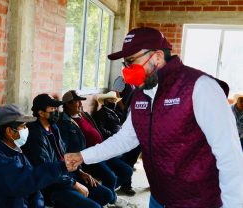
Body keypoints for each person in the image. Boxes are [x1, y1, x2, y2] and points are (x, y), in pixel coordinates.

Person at [64, 27, 243, 208]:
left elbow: (230, 155)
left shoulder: (200, 87)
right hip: (158, 198)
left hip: (197, 201)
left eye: (132, 62)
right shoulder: (142, 93)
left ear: (157, 56)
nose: (127, 71)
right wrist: (83, 156)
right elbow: (125, 139)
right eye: (125, 64)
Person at [0, 104, 72, 208]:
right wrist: (61, 167)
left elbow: (34, 191)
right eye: (24, 126)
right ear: (10, 131)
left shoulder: (13, 150)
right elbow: (24, 183)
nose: (27, 129)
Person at [21, 94, 112, 208]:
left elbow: (64, 155)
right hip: (52, 185)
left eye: (56, 108)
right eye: (52, 109)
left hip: (67, 176)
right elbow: (46, 170)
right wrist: (74, 184)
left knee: (106, 195)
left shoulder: (54, 128)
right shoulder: (35, 135)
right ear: (41, 113)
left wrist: (79, 171)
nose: (56, 112)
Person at [57, 90, 133, 207]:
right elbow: (66, 148)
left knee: (127, 170)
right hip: (89, 156)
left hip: (102, 150)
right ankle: (110, 198)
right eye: (77, 102)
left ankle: (110, 195)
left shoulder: (84, 115)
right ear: (68, 104)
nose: (81, 104)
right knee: (111, 177)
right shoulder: (64, 122)